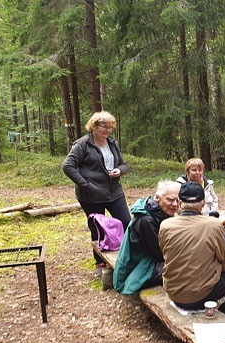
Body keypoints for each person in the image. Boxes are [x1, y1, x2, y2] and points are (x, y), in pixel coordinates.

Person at [159, 182, 225, 333]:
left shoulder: (165, 225)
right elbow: (224, 263)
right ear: (203, 202)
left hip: (173, 293)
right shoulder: (214, 225)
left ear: (179, 202)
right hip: (201, 296)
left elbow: (165, 254)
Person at [62, 111, 131, 276]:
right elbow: (68, 166)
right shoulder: (82, 144)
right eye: (104, 127)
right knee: (98, 228)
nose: (107, 131)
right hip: (91, 195)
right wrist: (85, 184)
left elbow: (123, 164)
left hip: (114, 191)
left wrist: (119, 171)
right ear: (94, 126)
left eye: (110, 127)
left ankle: (127, 256)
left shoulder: (113, 143)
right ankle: (100, 262)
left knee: (126, 222)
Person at [113, 180, 180, 294]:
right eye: (170, 199)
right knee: (182, 266)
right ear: (157, 198)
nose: (175, 204)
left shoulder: (157, 211)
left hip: (146, 260)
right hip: (133, 272)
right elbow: (160, 254)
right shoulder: (146, 220)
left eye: (178, 200)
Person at [177, 157, 225, 261]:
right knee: (214, 230)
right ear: (188, 171)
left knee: (218, 227)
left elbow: (215, 199)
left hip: (208, 216)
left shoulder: (208, 184)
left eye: (200, 170)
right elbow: (177, 205)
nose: (197, 173)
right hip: (188, 218)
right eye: (194, 170)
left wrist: (213, 211)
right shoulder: (180, 185)